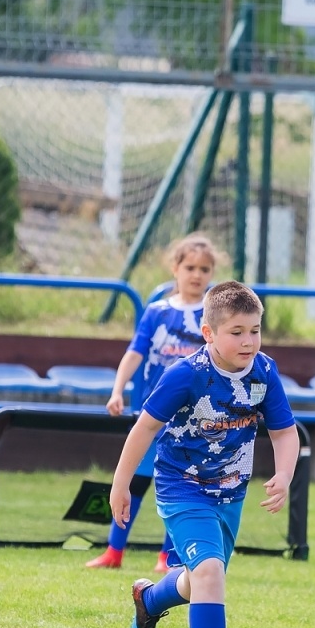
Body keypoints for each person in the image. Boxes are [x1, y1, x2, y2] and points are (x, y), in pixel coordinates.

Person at [110, 280, 300, 628]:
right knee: (211, 574)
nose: (248, 341)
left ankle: (150, 599)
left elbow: (285, 432)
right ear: (209, 333)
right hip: (182, 488)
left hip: (230, 493)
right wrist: (120, 484)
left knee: (200, 582)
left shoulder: (265, 373)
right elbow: (144, 428)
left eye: (254, 330)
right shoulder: (187, 374)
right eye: (236, 331)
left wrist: (284, 474)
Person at [86, 233, 217, 571]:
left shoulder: (214, 316)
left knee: (183, 484)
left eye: (204, 268)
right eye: (189, 267)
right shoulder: (157, 312)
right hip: (154, 414)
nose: (197, 275)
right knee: (138, 480)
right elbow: (135, 353)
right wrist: (117, 390)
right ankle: (114, 552)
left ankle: (167, 558)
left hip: (195, 420)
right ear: (174, 268)